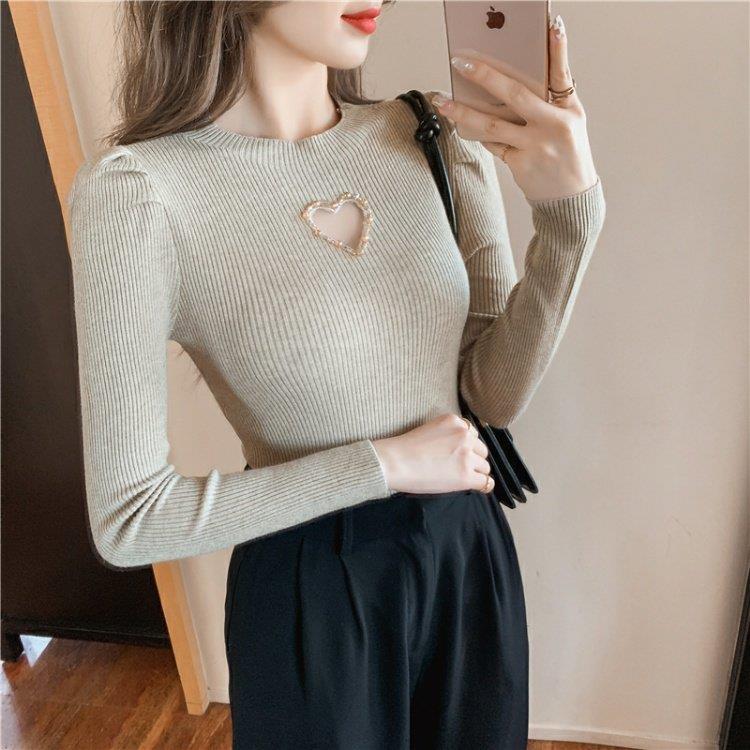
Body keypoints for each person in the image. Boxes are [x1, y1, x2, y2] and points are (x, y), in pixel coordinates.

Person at [66, 2, 606, 748]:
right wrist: (384, 465)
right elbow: (129, 521)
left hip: (464, 558)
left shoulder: (432, 136)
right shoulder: (141, 193)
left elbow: (489, 396)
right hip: (311, 593)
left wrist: (569, 220)